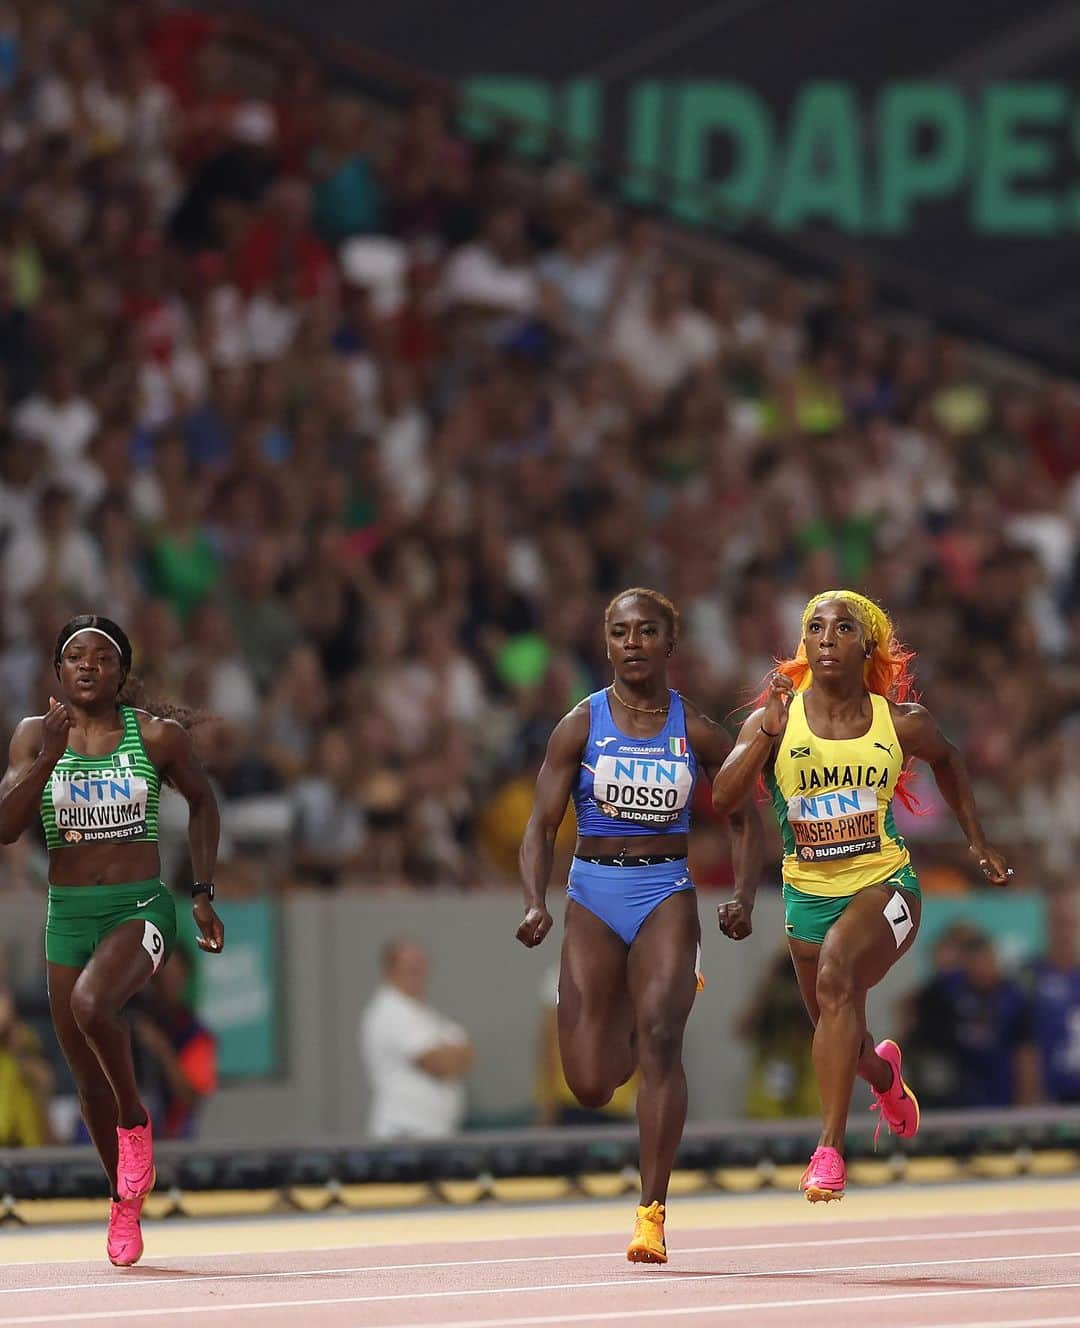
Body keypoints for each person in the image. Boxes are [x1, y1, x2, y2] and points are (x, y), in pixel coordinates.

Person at [712, 589, 1011, 1202]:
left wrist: (977, 843)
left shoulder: (900, 723)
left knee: (838, 973)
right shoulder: (777, 718)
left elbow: (949, 762)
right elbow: (722, 799)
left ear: (865, 645)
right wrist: (763, 735)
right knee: (842, 1039)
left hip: (886, 886)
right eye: (815, 628)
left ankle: (828, 1151)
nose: (826, 638)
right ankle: (885, 1076)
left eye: (842, 628)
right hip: (807, 897)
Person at [516, 587, 763, 1264]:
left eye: (645, 631)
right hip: (594, 894)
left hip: (666, 890)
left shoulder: (698, 729)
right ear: (606, 644)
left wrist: (743, 893)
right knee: (591, 1085)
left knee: (661, 1038)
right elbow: (539, 826)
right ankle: (649, 990)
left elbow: (743, 814)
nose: (632, 643)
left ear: (667, 642)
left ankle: (651, 1212)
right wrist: (535, 901)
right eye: (620, 632)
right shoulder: (580, 723)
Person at [0, 614, 225, 1266]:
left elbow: (203, 803)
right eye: (76, 657)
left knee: (94, 1006)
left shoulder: (156, 736)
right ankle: (124, 1205)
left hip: (141, 906)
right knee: (85, 1077)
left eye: (102, 657)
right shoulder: (32, 736)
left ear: (122, 673)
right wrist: (48, 756)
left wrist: (203, 893)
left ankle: (136, 1123)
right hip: (67, 914)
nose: (89, 665)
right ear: (58, 674)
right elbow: (8, 829)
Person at [359, 937, 474, 1140]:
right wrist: (452, 1054)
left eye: (421, 966)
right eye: (410, 967)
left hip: (433, 1132)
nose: (418, 974)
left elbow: (468, 1055)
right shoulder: (390, 1009)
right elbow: (438, 1064)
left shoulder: (422, 1012)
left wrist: (457, 1054)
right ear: (390, 970)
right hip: (405, 1133)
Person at [132, 945, 219, 1139]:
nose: (165, 984)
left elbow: (192, 1096)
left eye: (173, 977)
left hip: (173, 1139)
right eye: (159, 977)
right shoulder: (135, 1018)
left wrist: (162, 1050)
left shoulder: (196, 1035)